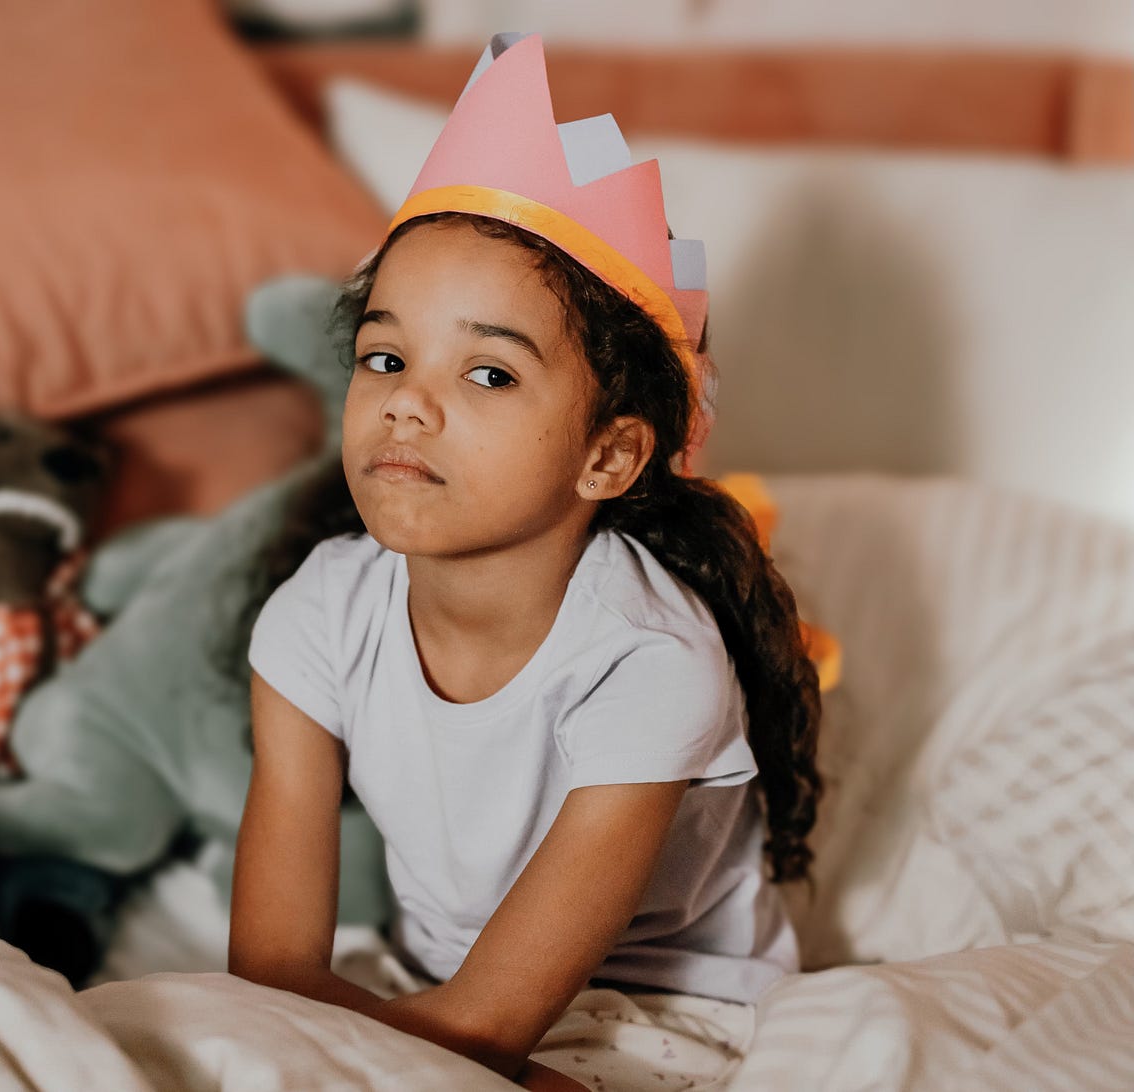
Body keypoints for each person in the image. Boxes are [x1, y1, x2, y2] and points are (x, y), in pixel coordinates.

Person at [227, 33, 821, 1092]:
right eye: (384, 356)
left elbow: (492, 1024)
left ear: (607, 456)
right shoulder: (319, 612)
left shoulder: (646, 659)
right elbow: (270, 972)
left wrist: (319, 1050)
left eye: (490, 373)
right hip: (428, 988)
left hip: (662, 1010)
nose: (407, 400)